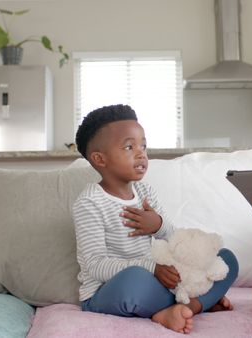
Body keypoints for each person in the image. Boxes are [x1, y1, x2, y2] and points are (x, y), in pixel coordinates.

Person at [72, 104, 239, 334]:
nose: (141, 153)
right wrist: (151, 268)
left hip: (159, 281)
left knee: (225, 259)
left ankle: (189, 306)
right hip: (109, 291)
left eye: (143, 145)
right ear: (100, 159)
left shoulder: (145, 193)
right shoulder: (89, 203)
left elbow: (176, 241)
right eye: (129, 147)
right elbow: (95, 266)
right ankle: (192, 305)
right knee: (134, 281)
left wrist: (158, 225)